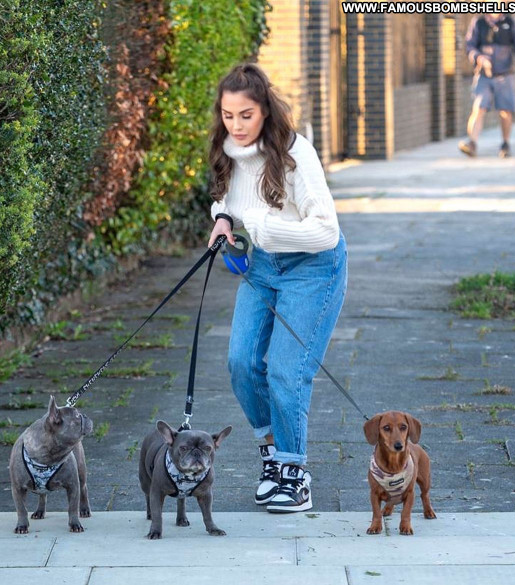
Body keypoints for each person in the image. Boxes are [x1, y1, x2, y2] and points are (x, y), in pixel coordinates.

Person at [207, 63, 347, 513]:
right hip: (263, 267)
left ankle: (295, 473)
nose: (236, 125)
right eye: (228, 116)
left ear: (265, 110)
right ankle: (273, 454)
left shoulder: (294, 153)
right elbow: (227, 195)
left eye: (245, 115)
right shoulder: (229, 148)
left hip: (314, 267)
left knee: (287, 370)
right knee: (241, 363)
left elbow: (326, 231)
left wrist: (264, 227)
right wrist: (224, 219)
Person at [459, 13, 515, 158]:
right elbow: (470, 46)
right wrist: (479, 57)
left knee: (505, 111)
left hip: (505, 75)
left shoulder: (510, 22)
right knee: (478, 108)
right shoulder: (479, 22)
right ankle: (472, 143)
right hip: (484, 75)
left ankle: (505, 144)